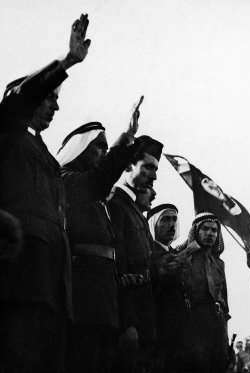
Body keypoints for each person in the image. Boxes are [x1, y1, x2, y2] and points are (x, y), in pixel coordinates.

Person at [0, 14, 90, 373]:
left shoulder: (45, 156)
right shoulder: (6, 132)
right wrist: (67, 62)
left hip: (52, 292)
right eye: (49, 97)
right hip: (15, 285)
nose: (56, 105)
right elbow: (19, 99)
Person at [59, 100, 144, 373]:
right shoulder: (68, 180)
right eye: (99, 146)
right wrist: (127, 137)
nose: (104, 153)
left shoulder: (98, 199)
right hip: (81, 300)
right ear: (80, 148)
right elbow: (100, 178)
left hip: (104, 301)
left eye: (107, 148)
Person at [108, 138, 162, 373]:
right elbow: (118, 269)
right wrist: (127, 322)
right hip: (126, 317)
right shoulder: (115, 204)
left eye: (156, 169)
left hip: (143, 314)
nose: (154, 176)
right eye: (148, 167)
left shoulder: (135, 211)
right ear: (128, 166)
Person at [178, 212, 230, 373]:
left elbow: (225, 302)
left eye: (214, 230)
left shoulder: (219, 264)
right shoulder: (183, 257)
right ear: (196, 231)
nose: (210, 233)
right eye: (205, 229)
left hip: (217, 325)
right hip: (193, 323)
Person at [148, 204, 188, 373]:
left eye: (174, 219)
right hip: (156, 331)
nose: (172, 224)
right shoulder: (148, 253)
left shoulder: (174, 253)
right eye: (165, 219)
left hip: (177, 333)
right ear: (153, 224)